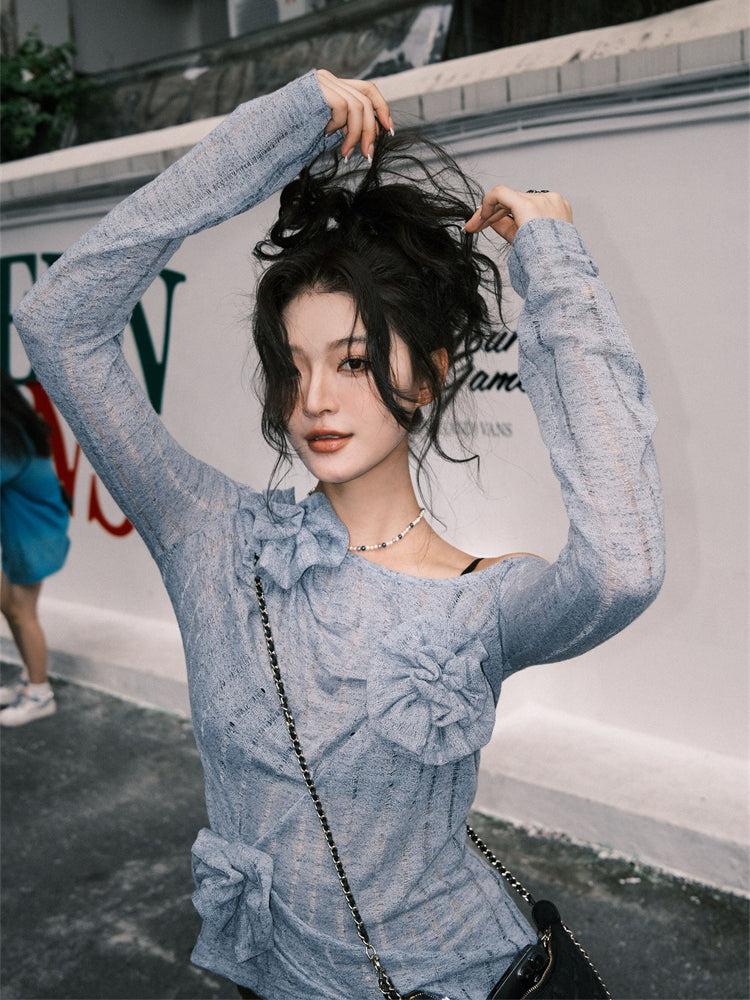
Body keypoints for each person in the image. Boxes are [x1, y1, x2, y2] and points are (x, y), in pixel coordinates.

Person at [10, 67, 665, 1000]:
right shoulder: (210, 537)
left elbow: (624, 568)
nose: (315, 399)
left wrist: (554, 267)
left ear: (428, 376)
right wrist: (277, 127)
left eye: (354, 362)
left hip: (466, 981)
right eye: (294, 367)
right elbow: (58, 322)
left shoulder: (482, 600)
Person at [0, 369, 71, 726]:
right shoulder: (16, 428)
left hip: (36, 539)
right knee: (10, 607)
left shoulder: (9, 440)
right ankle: (31, 677)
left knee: (22, 613)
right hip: (28, 534)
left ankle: (40, 695)